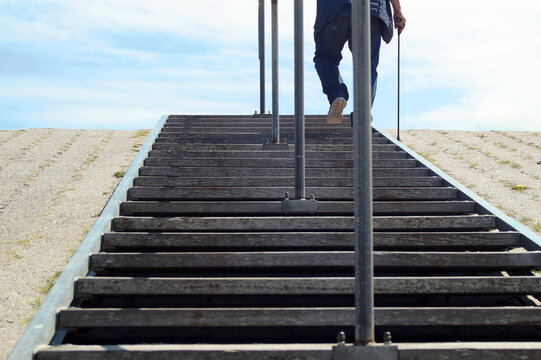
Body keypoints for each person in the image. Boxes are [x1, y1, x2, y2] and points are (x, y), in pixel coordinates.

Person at [314, 0, 406, 124]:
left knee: (326, 57)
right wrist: (397, 11)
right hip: (369, 9)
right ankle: (362, 110)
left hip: (332, 10)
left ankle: (337, 94)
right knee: (367, 63)